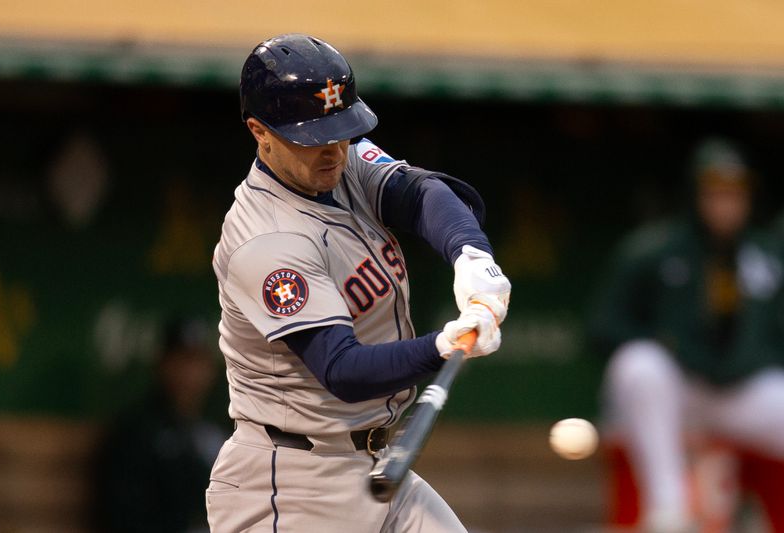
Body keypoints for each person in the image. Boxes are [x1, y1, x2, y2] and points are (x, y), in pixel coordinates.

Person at [207, 34, 511, 532]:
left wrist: (469, 255)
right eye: (313, 137)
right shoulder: (265, 238)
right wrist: (440, 344)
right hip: (294, 482)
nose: (333, 151)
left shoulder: (335, 163)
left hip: (378, 458)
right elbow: (343, 370)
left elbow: (421, 194)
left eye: (341, 131)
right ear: (259, 131)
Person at [591, 139, 784, 532]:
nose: (725, 205)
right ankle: (669, 511)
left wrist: (756, 358)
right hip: (679, 389)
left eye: (734, 194)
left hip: (742, 392)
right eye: (715, 194)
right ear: (695, 195)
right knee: (639, 364)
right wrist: (665, 342)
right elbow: (603, 327)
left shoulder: (766, 253)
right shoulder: (653, 250)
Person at [93, 318, 226, 533]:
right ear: (162, 363)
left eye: (198, 361)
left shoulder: (214, 433)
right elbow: (123, 516)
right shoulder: (135, 433)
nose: (190, 373)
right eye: (182, 360)